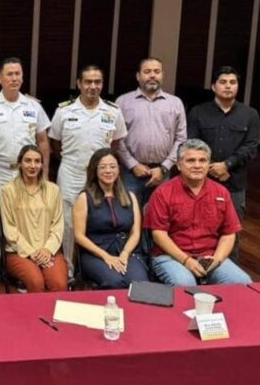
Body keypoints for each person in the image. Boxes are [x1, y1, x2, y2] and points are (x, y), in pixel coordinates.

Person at [49, 65, 127, 273]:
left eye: (97, 82)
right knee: (68, 223)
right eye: (88, 82)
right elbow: (55, 143)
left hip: (101, 176)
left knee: (98, 220)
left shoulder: (113, 111)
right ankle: (69, 269)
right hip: (72, 173)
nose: (93, 86)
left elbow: (115, 143)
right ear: (79, 84)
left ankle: (93, 266)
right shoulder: (64, 111)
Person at [144, 139, 252, 286]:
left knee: (242, 282)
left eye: (203, 160)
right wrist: (186, 260)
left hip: (210, 255)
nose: (197, 165)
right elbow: (159, 235)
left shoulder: (221, 192)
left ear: (208, 165)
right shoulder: (162, 193)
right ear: (179, 165)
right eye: (191, 161)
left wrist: (217, 260)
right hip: (171, 256)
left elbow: (228, 234)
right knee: (185, 284)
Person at [187, 66, 260, 261]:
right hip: (201, 182)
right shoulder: (198, 112)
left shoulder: (250, 114)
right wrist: (213, 168)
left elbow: (251, 147)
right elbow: (192, 144)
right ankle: (198, 268)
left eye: (232, 82)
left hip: (234, 183)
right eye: (223, 82)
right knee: (198, 228)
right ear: (213, 86)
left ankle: (229, 270)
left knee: (231, 231)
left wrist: (227, 165)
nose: (228, 86)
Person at [73, 148, 149, 289]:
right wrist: (106, 256)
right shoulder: (84, 198)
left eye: (112, 166)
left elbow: (135, 233)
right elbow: (79, 236)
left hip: (125, 250)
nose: (108, 171)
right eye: (103, 167)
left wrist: (125, 254)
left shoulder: (130, 196)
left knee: (140, 283)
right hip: (95, 253)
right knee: (115, 282)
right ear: (95, 170)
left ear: (119, 170)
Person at [115, 58, 187, 206]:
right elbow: (117, 138)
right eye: (147, 71)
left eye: (157, 71)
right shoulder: (122, 102)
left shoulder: (175, 103)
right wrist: (133, 165)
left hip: (162, 173)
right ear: (138, 76)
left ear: (162, 75)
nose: (152, 75)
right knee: (129, 214)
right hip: (131, 173)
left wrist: (164, 167)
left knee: (159, 215)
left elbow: (181, 138)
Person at [0, 145, 68, 293]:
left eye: (37, 161)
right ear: (20, 163)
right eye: (28, 161)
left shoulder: (53, 190)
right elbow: (9, 229)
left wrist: (47, 249)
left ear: (42, 164)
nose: (33, 165)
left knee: (58, 283)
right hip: (18, 252)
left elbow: (58, 225)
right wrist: (31, 252)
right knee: (36, 282)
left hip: (49, 250)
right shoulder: (8, 191)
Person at [0, 57, 51, 198]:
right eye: (9, 74)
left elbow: (43, 141)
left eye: (18, 74)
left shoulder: (34, 106)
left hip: (27, 172)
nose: (14, 78)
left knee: (27, 208)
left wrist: (45, 171)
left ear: (22, 78)